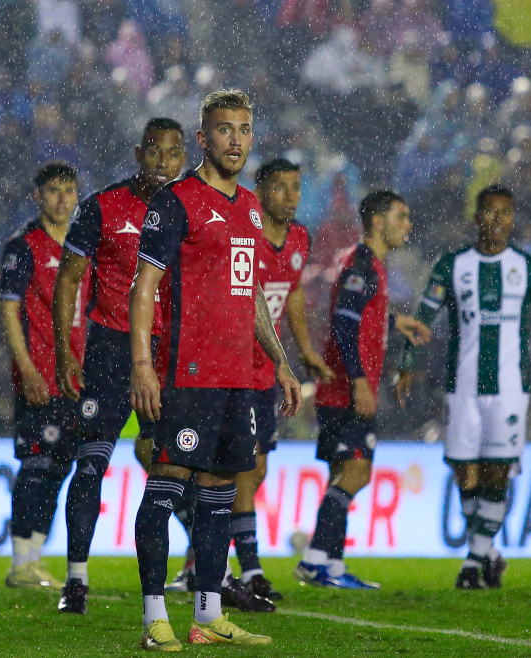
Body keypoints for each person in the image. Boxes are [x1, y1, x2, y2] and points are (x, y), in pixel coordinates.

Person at [129, 89, 302, 650]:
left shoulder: (251, 207)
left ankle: (207, 615)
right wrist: (142, 367)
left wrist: (279, 361)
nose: (236, 140)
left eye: (245, 130)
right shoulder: (176, 202)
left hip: (238, 379)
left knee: (220, 494)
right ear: (203, 138)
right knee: (166, 486)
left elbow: (248, 292)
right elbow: (144, 287)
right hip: (187, 374)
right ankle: (155, 617)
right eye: (225, 130)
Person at [396, 185, 531, 590]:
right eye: (490, 212)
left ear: (512, 218)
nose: (498, 220)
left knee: (496, 472)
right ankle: (488, 552)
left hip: (511, 390)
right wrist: (407, 364)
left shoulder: (528, 266)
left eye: (505, 213)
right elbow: (424, 316)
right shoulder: (452, 265)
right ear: (476, 218)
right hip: (462, 387)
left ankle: (473, 562)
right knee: (465, 473)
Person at [51, 117, 186, 614]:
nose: (164, 162)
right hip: (109, 351)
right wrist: (67, 351)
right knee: (90, 465)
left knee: (172, 464)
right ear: (138, 152)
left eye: (173, 154)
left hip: (167, 354)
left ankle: (196, 566)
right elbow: (68, 281)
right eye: (154, 151)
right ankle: (76, 581)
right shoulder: (102, 207)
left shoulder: (191, 210)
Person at [294, 190, 430, 589]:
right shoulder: (362, 265)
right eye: (400, 216)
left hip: (342, 388)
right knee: (357, 471)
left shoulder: (371, 267)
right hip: (345, 390)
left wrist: (393, 321)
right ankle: (316, 558)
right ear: (377, 221)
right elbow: (343, 323)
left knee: (344, 471)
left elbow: (361, 316)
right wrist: (359, 383)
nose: (407, 225)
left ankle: (331, 566)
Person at [231, 157, 334, 600]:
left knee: (256, 467)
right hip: (231, 367)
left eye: (296, 187)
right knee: (240, 469)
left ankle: (216, 560)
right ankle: (249, 571)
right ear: (260, 190)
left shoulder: (298, 237)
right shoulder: (243, 233)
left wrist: (306, 350)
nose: (291, 196)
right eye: (280, 188)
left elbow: (290, 291)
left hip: (265, 371)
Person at [0, 162, 90, 590]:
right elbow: (9, 311)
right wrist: (28, 369)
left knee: (59, 467)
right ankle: (20, 561)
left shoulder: (84, 247)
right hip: (41, 376)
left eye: (68, 191)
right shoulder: (23, 247)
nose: (61, 199)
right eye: (53, 190)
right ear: (38, 196)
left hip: (77, 378)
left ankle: (33, 559)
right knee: (36, 465)